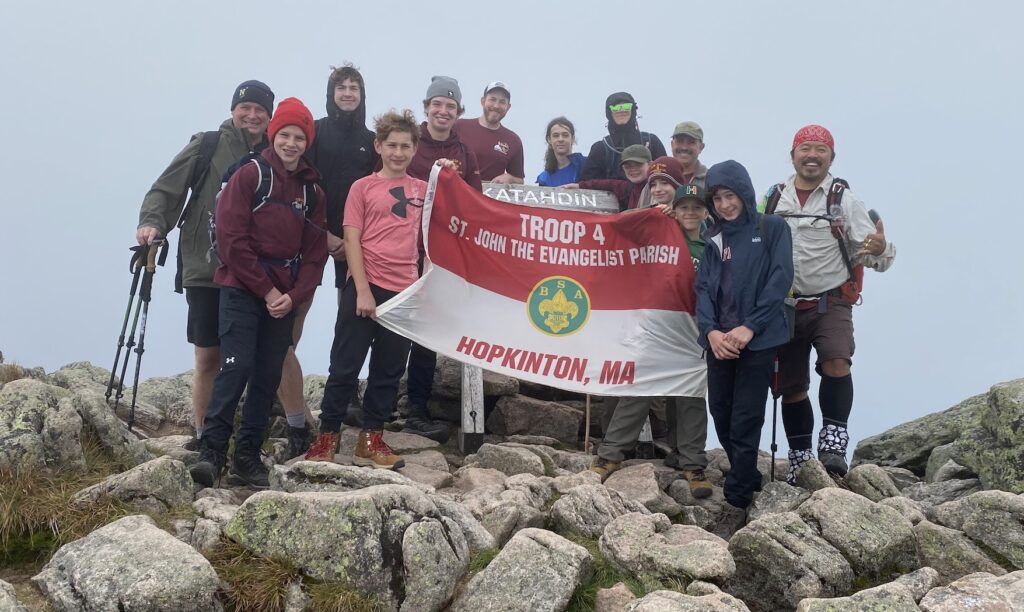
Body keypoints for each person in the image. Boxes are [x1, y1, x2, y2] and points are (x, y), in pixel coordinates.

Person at [189, 97, 328, 488]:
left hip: (283, 296)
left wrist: (295, 294)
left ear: (307, 141)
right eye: (284, 134)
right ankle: (212, 454)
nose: (291, 143)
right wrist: (268, 290)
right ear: (273, 135)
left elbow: (315, 253)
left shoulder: (312, 191)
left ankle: (246, 458)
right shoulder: (250, 174)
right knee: (235, 366)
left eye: (299, 137)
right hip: (242, 289)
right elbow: (231, 239)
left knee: (267, 376)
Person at [136, 80, 275, 443]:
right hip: (205, 265)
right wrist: (152, 221)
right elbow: (167, 188)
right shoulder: (207, 144)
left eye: (261, 109)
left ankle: (244, 436)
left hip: (254, 272)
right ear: (233, 110)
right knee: (208, 357)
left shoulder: (276, 152)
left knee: (252, 355)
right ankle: (204, 437)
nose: (252, 114)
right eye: (246, 107)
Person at [763, 125, 894, 482]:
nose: (812, 155)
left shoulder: (844, 201)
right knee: (791, 387)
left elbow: (875, 253)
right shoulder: (774, 199)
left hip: (830, 301)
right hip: (784, 304)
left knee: (837, 361)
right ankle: (800, 457)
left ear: (831, 158)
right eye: (805, 147)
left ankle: (834, 441)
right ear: (792, 155)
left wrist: (881, 250)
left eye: (821, 149)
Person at [304, 109, 431, 469]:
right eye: (391, 145)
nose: (398, 152)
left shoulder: (424, 190)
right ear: (378, 145)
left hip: (404, 292)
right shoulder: (362, 188)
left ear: (414, 148)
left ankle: (371, 439)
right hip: (366, 285)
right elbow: (351, 240)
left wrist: (449, 175)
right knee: (344, 366)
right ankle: (327, 437)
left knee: (388, 371)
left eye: (406, 146)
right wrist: (361, 289)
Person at [590, 165, 712, 499]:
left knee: (690, 395)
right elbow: (619, 228)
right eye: (684, 207)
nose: (689, 213)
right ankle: (610, 455)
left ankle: (692, 463)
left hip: (694, 331)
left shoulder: (712, 248)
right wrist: (652, 213)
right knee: (638, 388)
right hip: (655, 326)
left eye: (696, 208)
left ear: (704, 212)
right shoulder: (658, 229)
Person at [696, 160, 793, 533]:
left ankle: (736, 501)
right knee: (720, 411)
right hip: (720, 342)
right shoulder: (713, 239)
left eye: (730, 195)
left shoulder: (772, 228)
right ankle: (747, 474)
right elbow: (703, 289)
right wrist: (711, 333)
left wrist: (749, 328)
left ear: (744, 193)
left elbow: (780, 279)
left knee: (746, 417)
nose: (724, 204)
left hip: (758, 341)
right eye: (717, 198)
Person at [302, 62, 380, 444]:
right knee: (292, 311)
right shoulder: (315, 132)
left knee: (346, 316)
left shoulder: (371, 139)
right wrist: (325, 233)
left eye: (354, 88)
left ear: (362, 95)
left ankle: (345, 389)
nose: (348, 93)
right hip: (312, 235)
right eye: (341, 87)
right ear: (331, 93)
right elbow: (305, 181)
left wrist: (348, 239)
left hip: (355, 244)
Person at [402, 76, 482, 442]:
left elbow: (477, 205)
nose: (443, 111)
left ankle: (416, 408)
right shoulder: (408, 142)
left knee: (426, 333)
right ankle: (383, 401)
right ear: (426, 107)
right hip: (399, 250)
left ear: (458, 112)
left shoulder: (466, 154)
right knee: (389, 326)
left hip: (440, 256)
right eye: (437, 104)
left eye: (450, 106)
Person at [579, 92, 666, 181]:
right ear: (609, 112)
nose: (621, 110)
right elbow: (586, 185)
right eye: (615, 107)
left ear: (633, 110)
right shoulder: (600, 148)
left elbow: (667, 175)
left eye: (626, 106)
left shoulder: (652, 141)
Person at [456, 81, 524, 183]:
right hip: (457, 194)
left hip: (488, 198)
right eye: (492, 99)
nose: (496, 106)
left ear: (508, 107)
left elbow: (520, 180)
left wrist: (510, 178)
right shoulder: (459, 126)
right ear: (483, 101)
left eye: (502, 102)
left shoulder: (513, 140)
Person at [565, 144, 651, 211]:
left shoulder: (656, 186)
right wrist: (579, 186)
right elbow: (608, 184)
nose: (633, 169)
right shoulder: (627, 188)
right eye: (628, 166)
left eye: (638, 164)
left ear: (651, 164)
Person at [536, 116, 586, 187]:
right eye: (556, 136)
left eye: (565, 135)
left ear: (573, 138)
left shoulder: (586, 165)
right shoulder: (544, 178)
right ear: (549, 139)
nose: (560, 139)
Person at [670, 122, 709, 189]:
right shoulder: (657, 178)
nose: (684, 147)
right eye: (680, 141)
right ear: (672, 145)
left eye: (691, 142)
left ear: (701, 147)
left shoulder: (710, 179)